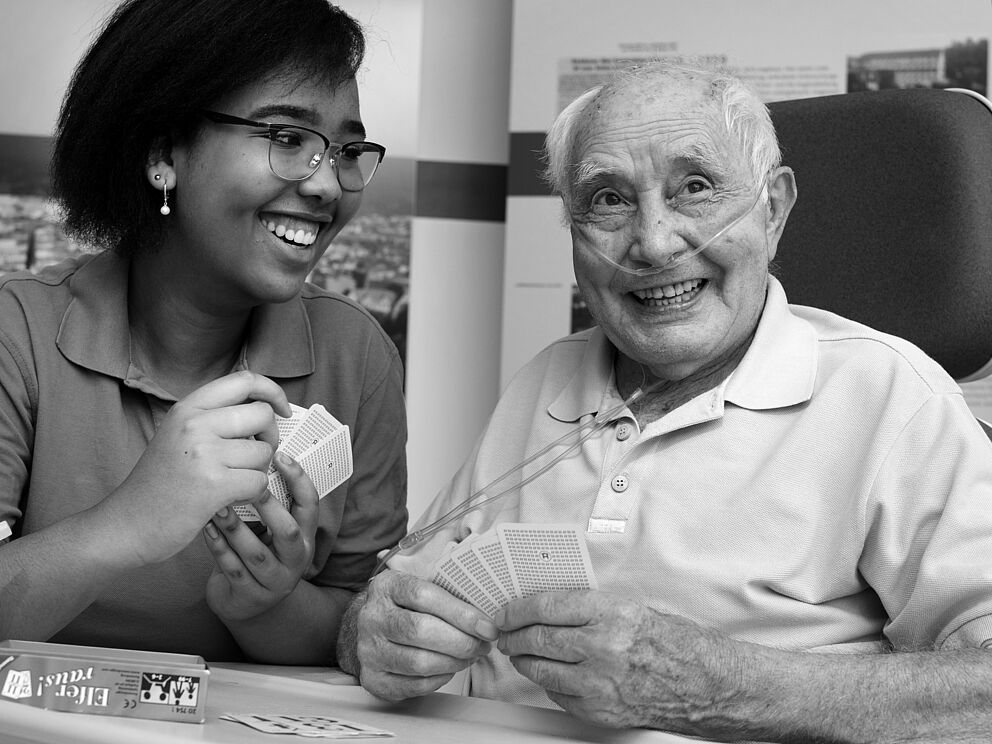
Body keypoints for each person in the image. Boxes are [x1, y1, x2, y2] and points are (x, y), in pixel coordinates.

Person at [336, 59, 992, 741]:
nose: (652, 243)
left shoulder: (890, 398)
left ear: (774, 210)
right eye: (609, 200)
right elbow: (385, 604)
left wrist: (724, 689)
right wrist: (373, 636)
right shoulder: (543, 380)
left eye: (696, 188)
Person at [0, 0, 407, 665]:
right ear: (164, 153)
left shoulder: (355, 356)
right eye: (287, 139)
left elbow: (356, 631)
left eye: (347, 151)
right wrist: (130, 523)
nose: (329, 184)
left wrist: (270, 604)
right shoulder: (17, 332)